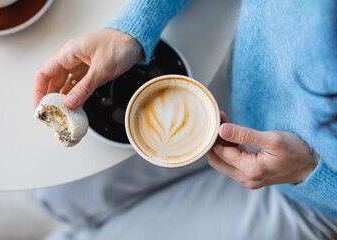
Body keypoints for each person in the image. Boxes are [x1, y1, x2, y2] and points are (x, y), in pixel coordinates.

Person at [33, 0, 337, 239]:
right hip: (235, 74)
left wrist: (311, 173)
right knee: (62, 194)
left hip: (303, 198)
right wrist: (135, 25)